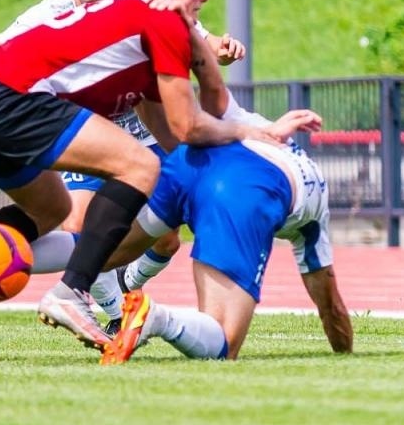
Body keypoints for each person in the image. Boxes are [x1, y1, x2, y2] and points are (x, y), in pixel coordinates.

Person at [0, 0, 314, 361]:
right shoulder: (155, 21)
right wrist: (252, 135)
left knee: (50, 211)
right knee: (137, 169)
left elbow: (175, 135)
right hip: (7, 96)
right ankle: (74, 292)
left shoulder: (131, 29)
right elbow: (187, 124)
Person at [0, 0, 250, 334]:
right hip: (84, 131)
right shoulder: (49, 13)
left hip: (143, 128)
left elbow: (199, 37)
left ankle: (123, 285)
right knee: (79, 222)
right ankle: (111, 309)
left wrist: (220, 46)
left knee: (167, 237)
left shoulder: (138, 4)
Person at [101, 133, 352, 364]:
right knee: (221, 341)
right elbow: (332, 308)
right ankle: (157, 318)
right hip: (242, 186)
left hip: (188, 161)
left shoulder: (262, 127)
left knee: (99, 254)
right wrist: (345, 357)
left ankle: (68, 291)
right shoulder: (314, 217)